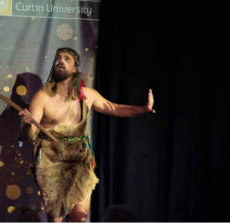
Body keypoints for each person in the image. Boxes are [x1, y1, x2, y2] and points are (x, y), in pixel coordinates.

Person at [19, 47, 155, 222]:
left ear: (75, 68)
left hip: (79, 159)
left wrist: (142, 109)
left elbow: (114, 108)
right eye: (58, 58)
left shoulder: (87, 95)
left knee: (80, 217)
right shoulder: (43, 96)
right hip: (51, 160)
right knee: (56, 218)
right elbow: (27, 135)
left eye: (66, 58)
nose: (60, 61)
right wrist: (26, 123)